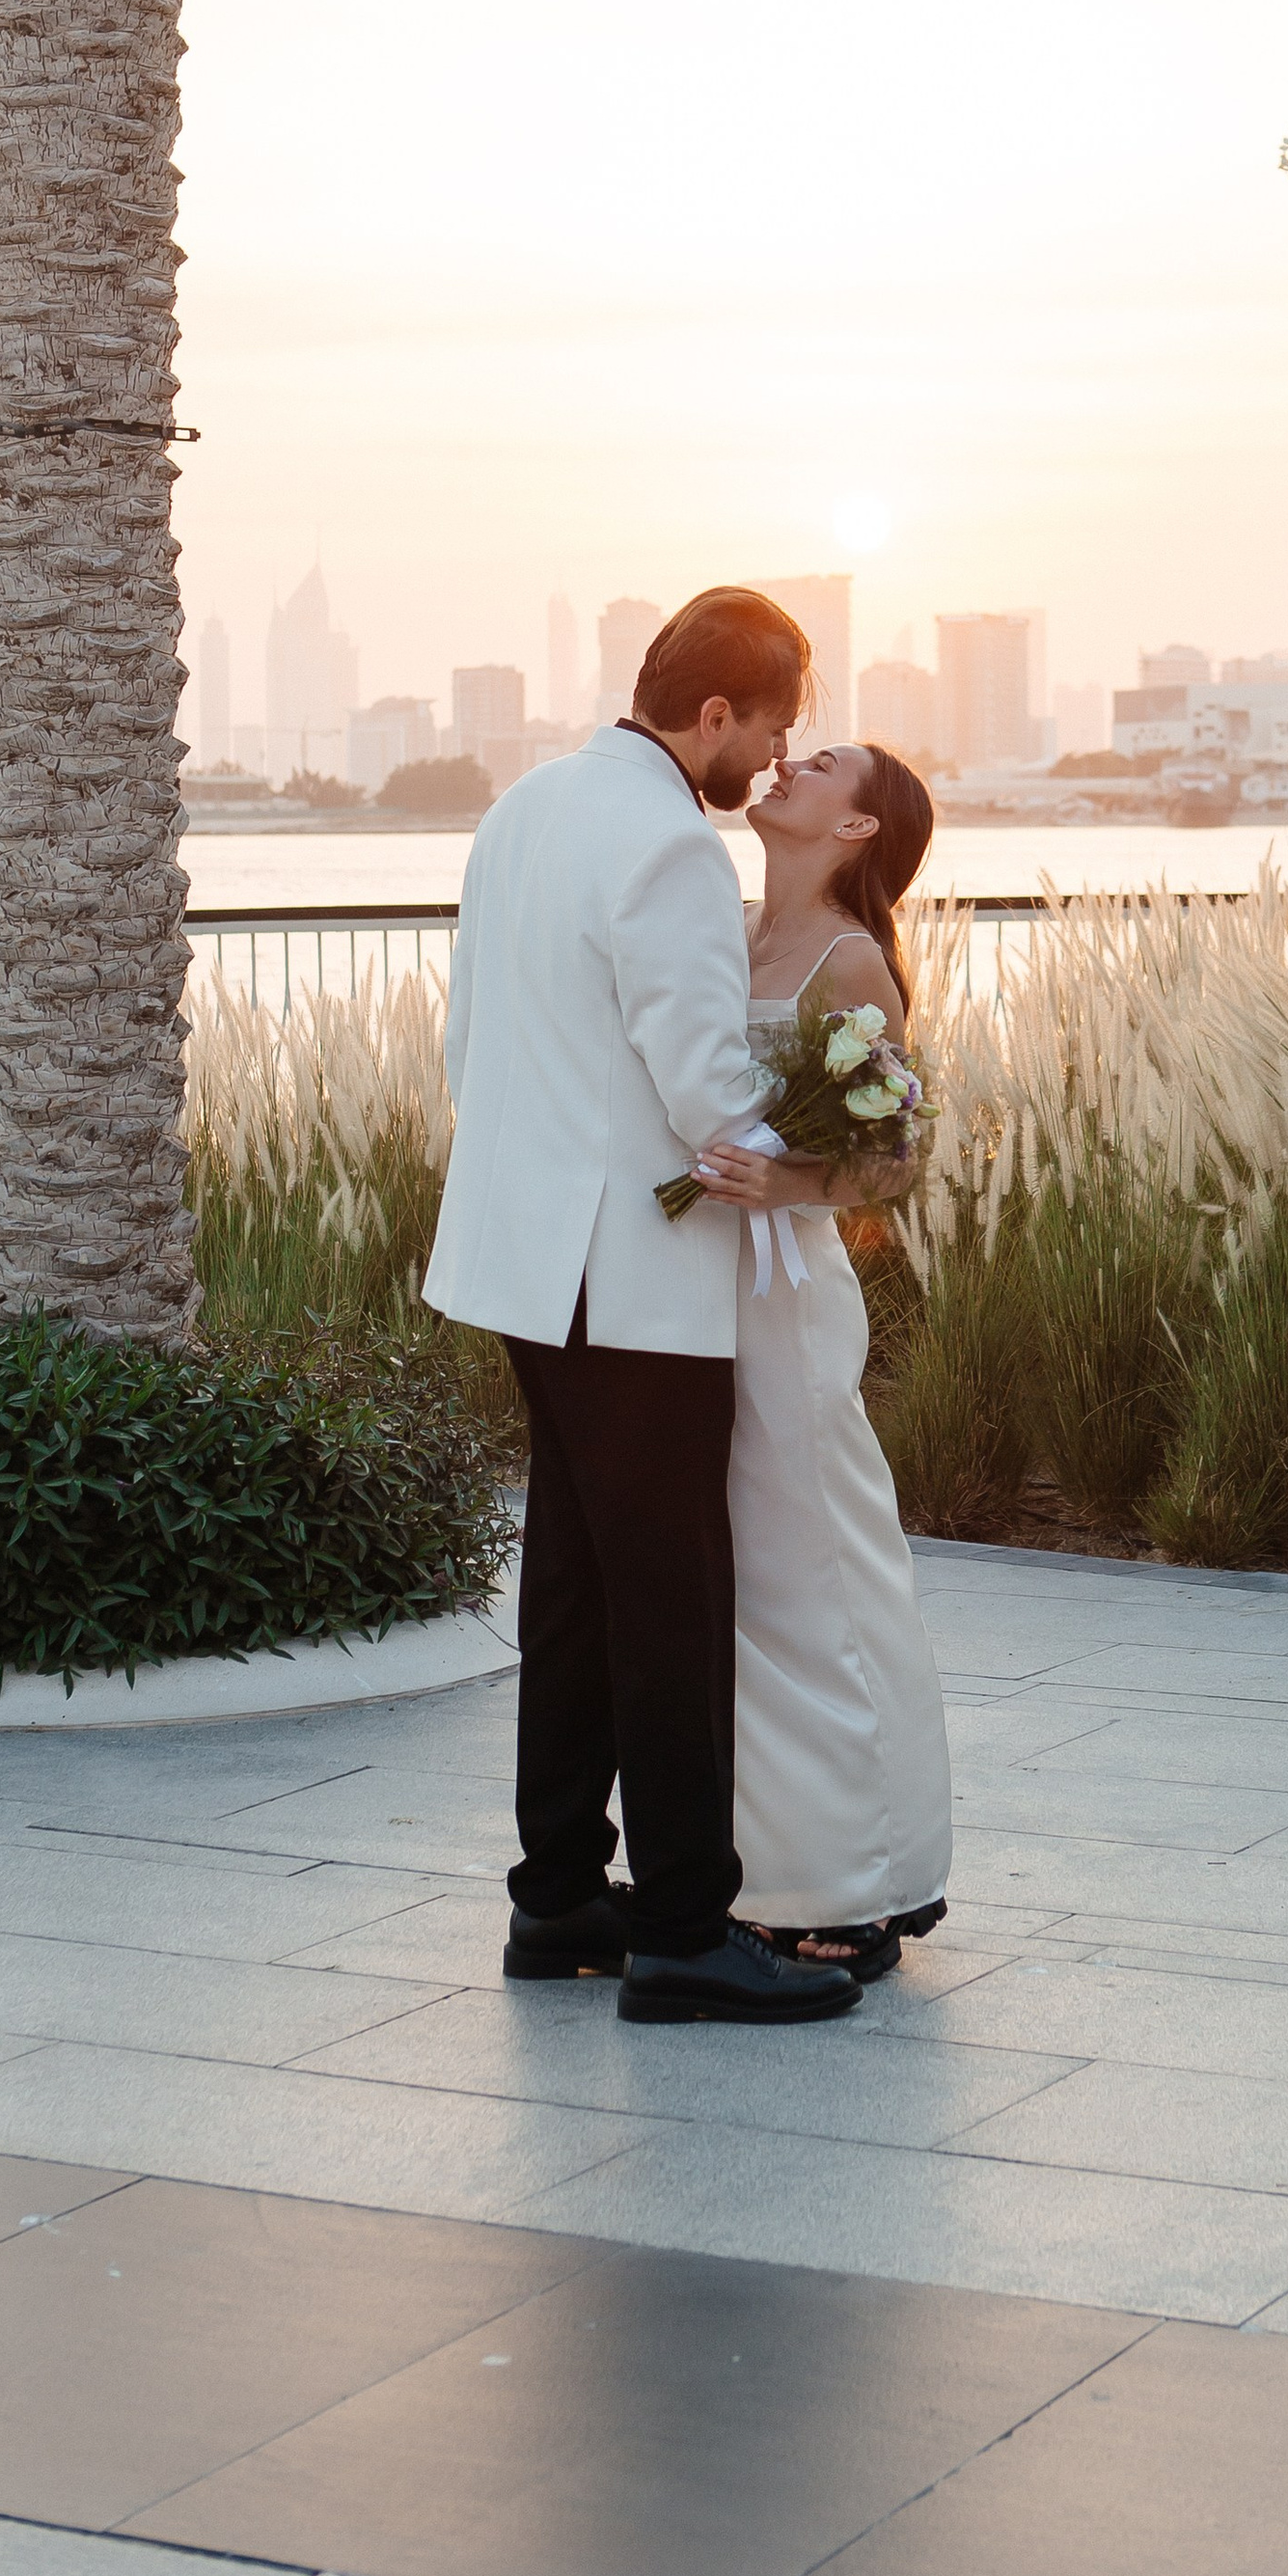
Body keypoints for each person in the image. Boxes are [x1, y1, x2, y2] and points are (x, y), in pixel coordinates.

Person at [422, 586, 862, 2026]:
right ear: (713, 712)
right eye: (771, 728)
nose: (773, 758)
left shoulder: (525, 808)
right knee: (673, 1595)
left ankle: (557, 1895)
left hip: (517, 1258)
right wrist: (814, 1157)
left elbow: (466, 1038)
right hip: (625, 1271)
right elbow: (701, 1081)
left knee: (575, 1581)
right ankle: (679, 1925)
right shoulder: (671, 842)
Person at [692, 737, 953, 1982]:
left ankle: (862, 1876)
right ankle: (764, 1862)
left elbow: (891, 1158)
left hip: (786, 1297)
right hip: (697, 1288)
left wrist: (785, 1183)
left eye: (826, 764)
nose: (789, 760)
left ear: (858, 828)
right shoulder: (727, 927)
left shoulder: (849, 961)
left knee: (818, 1571)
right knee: (740, 1583)